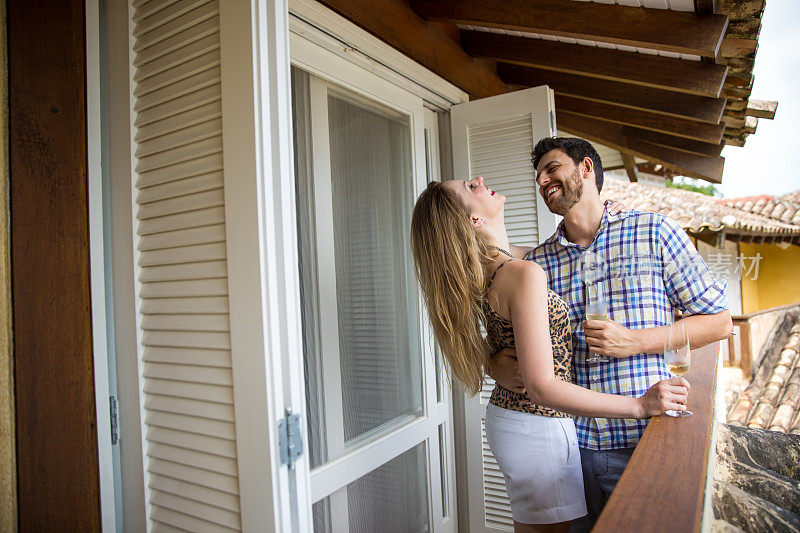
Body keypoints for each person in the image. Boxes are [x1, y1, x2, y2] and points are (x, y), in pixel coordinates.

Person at [410, 177, 690, 533]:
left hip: (518, 419)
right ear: (473, 221)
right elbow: (542, 387)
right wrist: (639, 406)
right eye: (470, 186)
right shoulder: (521, 272)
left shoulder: (489, 266)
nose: (479, 180)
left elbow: (505, 328)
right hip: (536, 423)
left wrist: (605, 213)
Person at [488, 137, 732, 532]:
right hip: (570, 445)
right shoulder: (536, 263)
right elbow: (503, 340)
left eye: (552, 168)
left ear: (586, 168)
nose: (543, 180)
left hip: (643, 437)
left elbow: (718, 322)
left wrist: (635, 341)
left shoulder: (654, 232)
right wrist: (493, 363)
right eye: (538, 176)